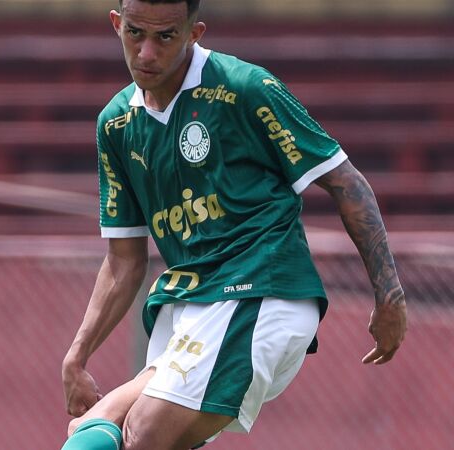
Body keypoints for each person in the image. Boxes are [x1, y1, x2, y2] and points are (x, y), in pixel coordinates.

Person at [60, 1, 408, 449]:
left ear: (194, 33)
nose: (146, 53)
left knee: (145, 432)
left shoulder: (245, 88)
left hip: (261, 290)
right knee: (90, 431)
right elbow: (124, 261)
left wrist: (390, 295)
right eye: (134, 34)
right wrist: (78, 354)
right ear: (116, 24)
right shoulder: (117, 124)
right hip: (188, 305)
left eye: (165, 37)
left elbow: (347, 183)